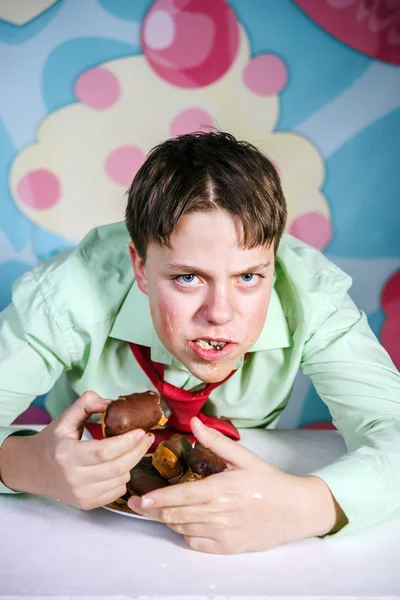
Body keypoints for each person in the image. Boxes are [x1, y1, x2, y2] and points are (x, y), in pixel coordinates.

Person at [0, 132, 399, 555]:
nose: (220, 313)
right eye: (187, 277)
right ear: (139, 266)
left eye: (249, 277)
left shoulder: (313, 297)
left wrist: (305, 506)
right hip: (84, 538)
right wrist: (25, 465)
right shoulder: (65, 297)